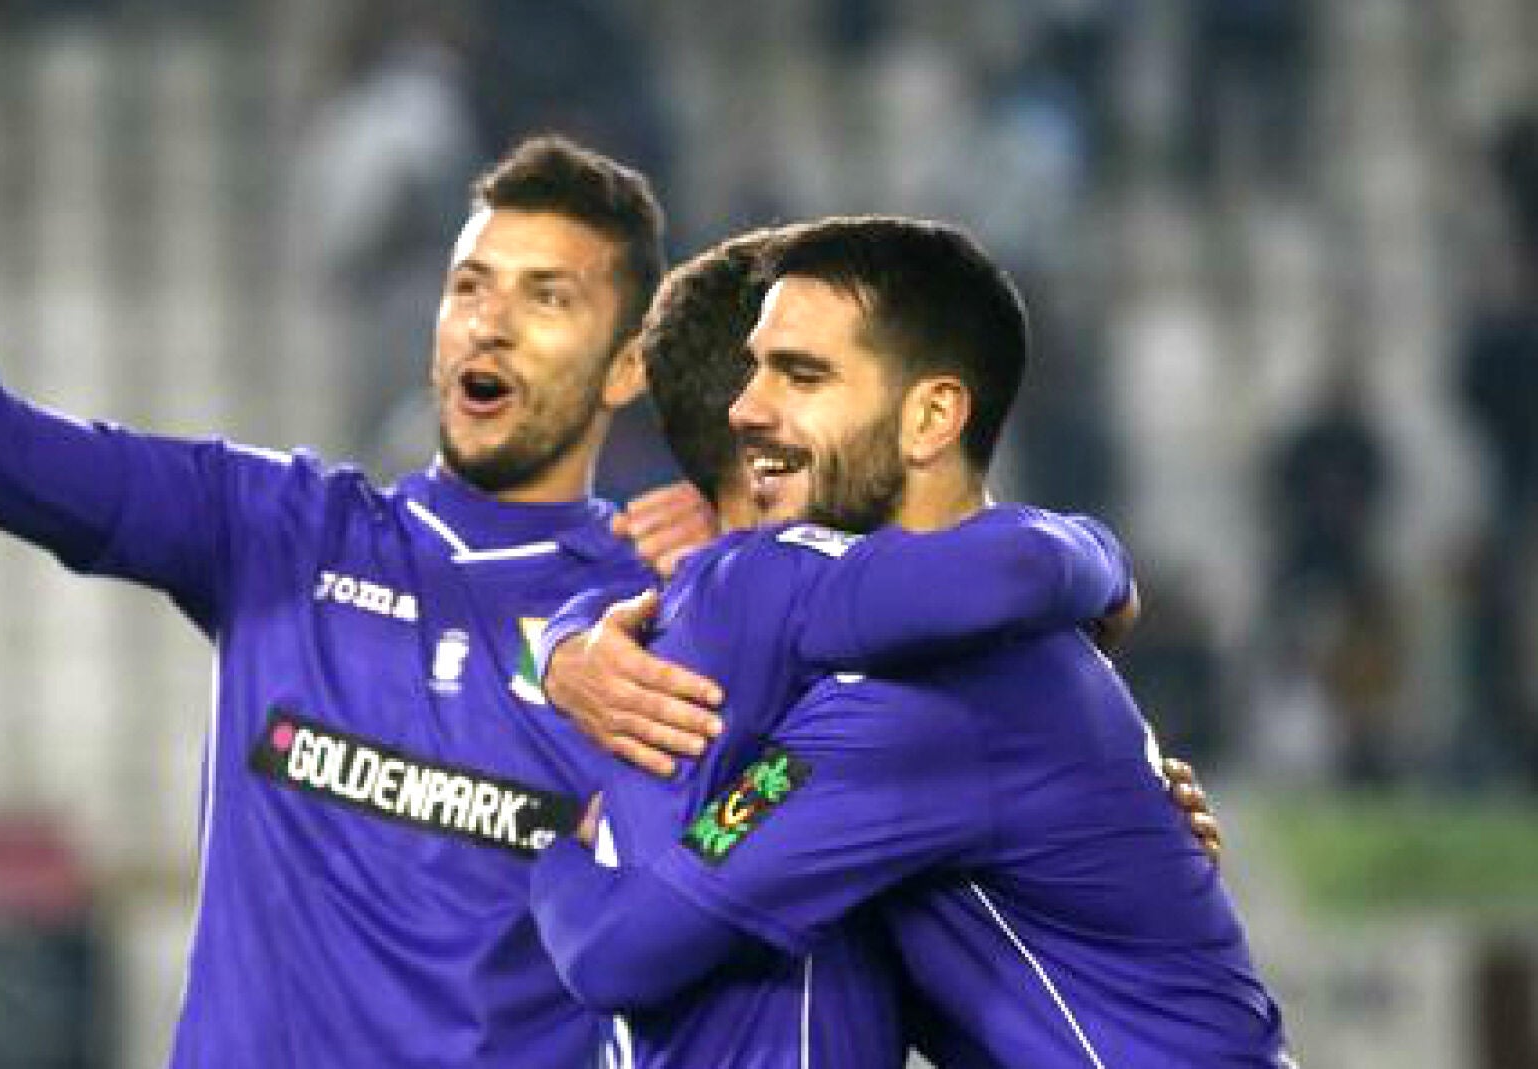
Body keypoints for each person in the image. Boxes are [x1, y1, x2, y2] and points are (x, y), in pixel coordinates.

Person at [0, 135, 695, 1067]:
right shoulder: (279, 529)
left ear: (625, 365)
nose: (491, 321)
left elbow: (787, 842)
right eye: (470, 286)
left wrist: (772, 536)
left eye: (548, 297)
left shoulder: (666, 614)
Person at [531, 217, 1288, 1065]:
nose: (745, 406)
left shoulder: (913, 704)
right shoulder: (938, 649)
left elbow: (628, 945)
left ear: (932, 416)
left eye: (802, 375)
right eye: (754, 369)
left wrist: (562, 856)